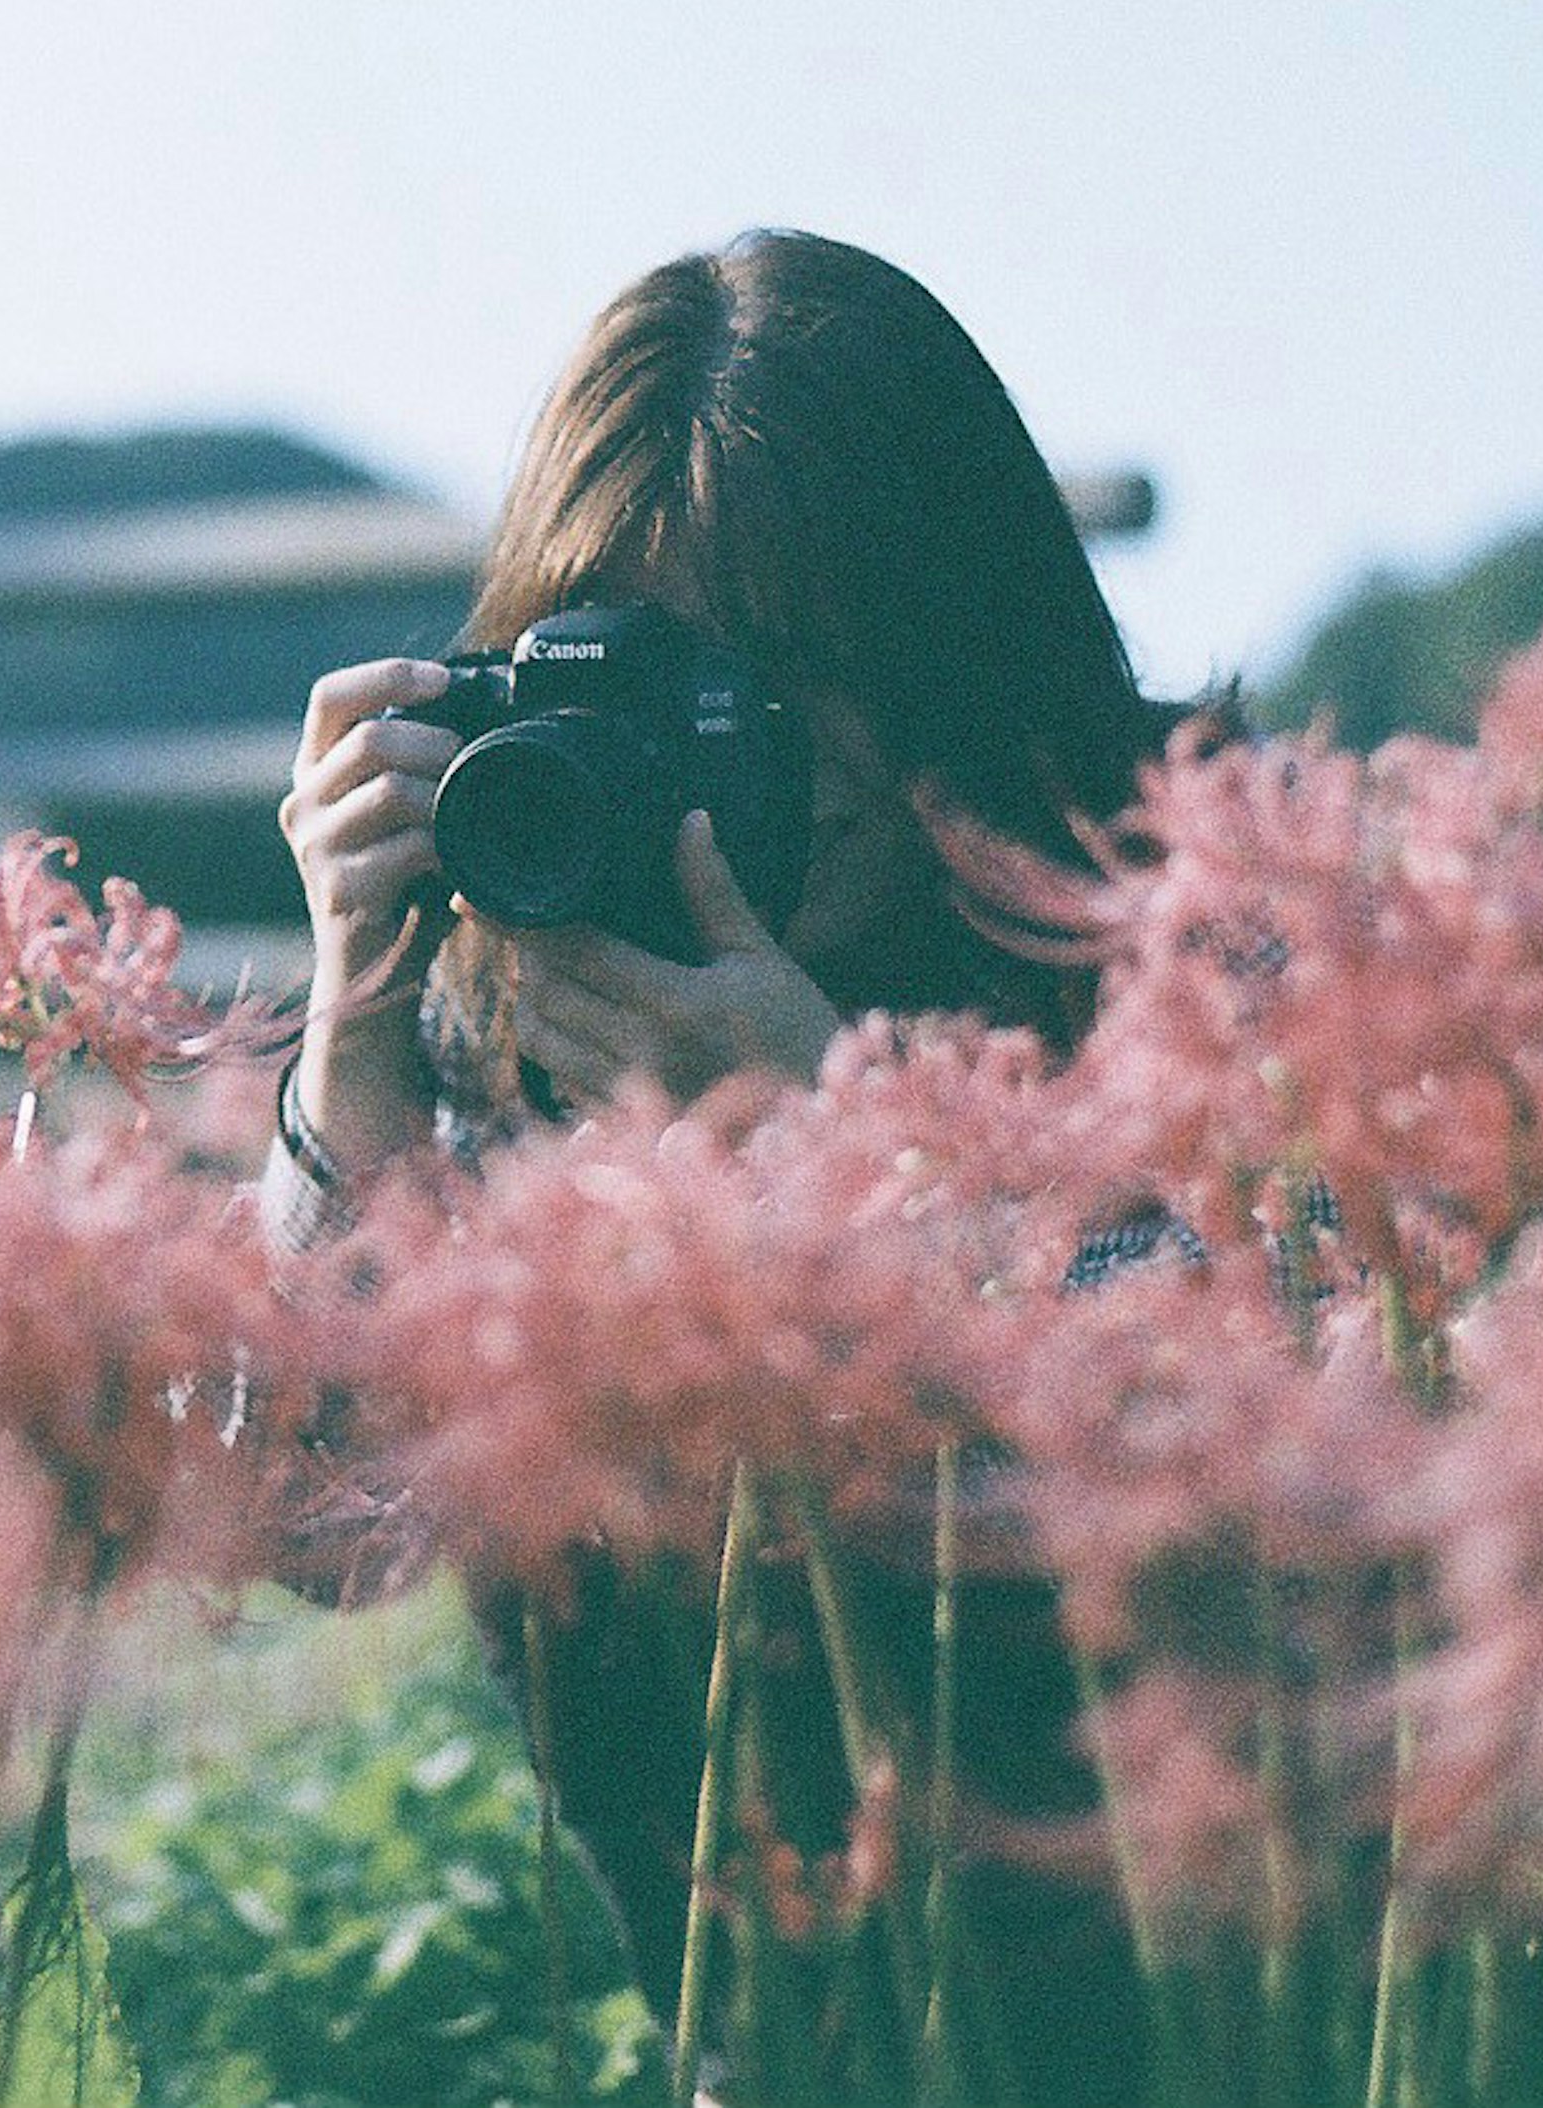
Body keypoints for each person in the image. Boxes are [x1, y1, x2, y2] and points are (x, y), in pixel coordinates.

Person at [264, 228, 1187, 2096]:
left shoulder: (1198, 904)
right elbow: (312, 1537)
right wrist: (350, 1059)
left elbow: (1294, 1483)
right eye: (682, 677)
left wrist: (864, 1152)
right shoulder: (533, 940)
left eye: (824, 660)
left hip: (1222, 2002)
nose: (780, 746)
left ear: (967, 634)